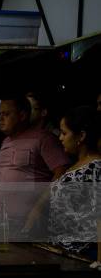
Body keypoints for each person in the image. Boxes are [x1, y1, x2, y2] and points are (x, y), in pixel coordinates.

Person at [0, 97, 70, 231]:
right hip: (3, 220)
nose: (0, 118)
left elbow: (62, 172)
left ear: (22, 115)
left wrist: (39, 208)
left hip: (30, 222)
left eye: (6, 114)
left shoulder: (43, 138)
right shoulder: (5, 142)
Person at [48, 106, 100, 261]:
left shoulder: (95, 168)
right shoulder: (76, 165)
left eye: (64, 133)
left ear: (81, 136)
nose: (60, 138)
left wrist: (99, 262)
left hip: (82, 255)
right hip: (63, 252)